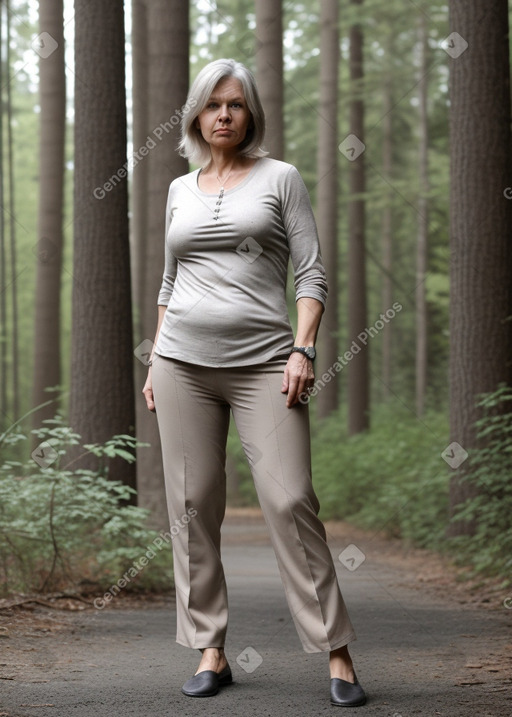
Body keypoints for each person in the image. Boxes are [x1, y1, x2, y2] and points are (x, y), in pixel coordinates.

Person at [142, 58, 366, 708]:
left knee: (290, 497)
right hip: (182, 362)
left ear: (251, 113)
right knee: (192, 502)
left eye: (235, 104)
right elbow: (167, 281)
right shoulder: (180, 190)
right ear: (195, 114)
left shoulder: (280, 179)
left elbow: (312, 274)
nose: (223, 115)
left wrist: (303, 347)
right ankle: (210, 648)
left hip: (268, 362)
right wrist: (156, 356)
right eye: (213, 104)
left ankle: (337, 650)